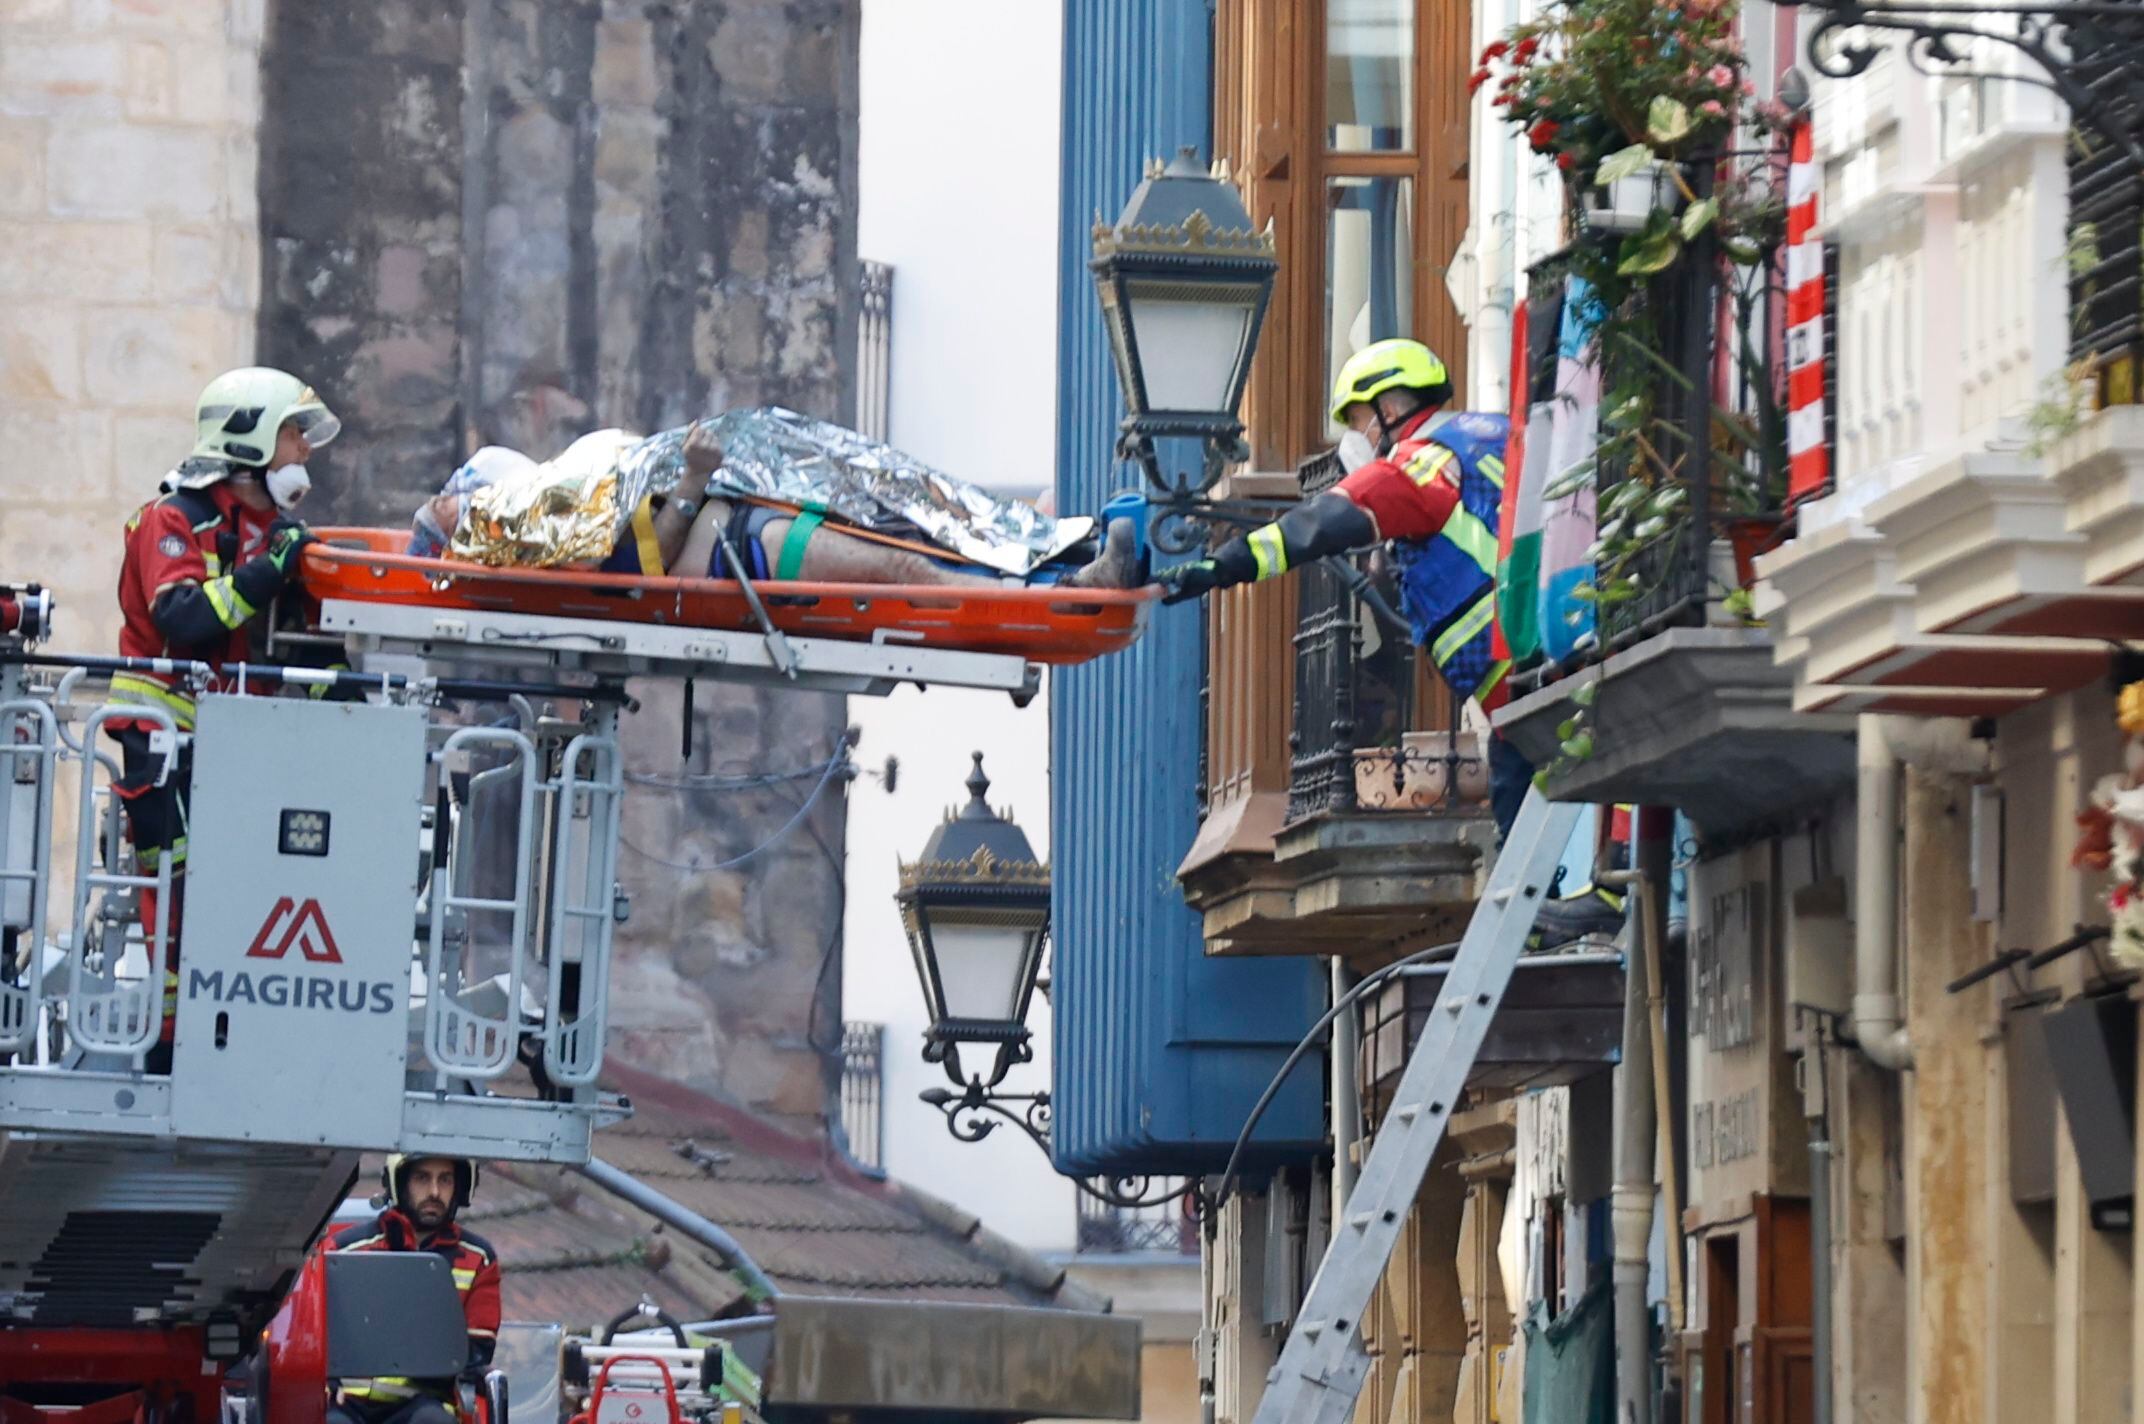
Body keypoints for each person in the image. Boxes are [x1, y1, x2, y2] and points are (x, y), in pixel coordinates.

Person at [1156, 339, 1537, 841]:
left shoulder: (1420, 464)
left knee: (1530, 799)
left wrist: (1220, 567)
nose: (1360, 437)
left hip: (1507, 652)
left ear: (1392, 406)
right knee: (1536, 781)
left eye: (1361, 421)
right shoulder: (1488, 436)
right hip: (1540, 638)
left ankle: (1574, 904)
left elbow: (1316, 526)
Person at [110, 366, 339, 1065]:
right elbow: (181, 615)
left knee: (250, 884)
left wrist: (363, 713)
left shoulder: (281, 534)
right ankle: (172, 1041)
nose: (304, 451)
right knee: (177, 883)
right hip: (163, 738)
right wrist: (268, 570)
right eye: (294, 435)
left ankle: (235, 1028)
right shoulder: (171, 518)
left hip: (244, 744)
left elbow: (312, 648)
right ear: (252, 439)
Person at [414, 423, 1143, 591]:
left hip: (752, 503)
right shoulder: (534, 532)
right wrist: (695, 478)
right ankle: (1056, 590)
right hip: (742, 545)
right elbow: (647, 563)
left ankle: (1049, 541)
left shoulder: (563, 484)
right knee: (902, 563)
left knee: (896, 492)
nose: (446, 497)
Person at [328, 1154, 501, 1424]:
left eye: (445, 1180)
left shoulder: (479, 1259)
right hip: (345, 1403)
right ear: (399, 1182)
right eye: (422, 1178)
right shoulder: (344, 1251)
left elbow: (476, 1352)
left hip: (422, 1405)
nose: (434, 1191)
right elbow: (312, 1337)